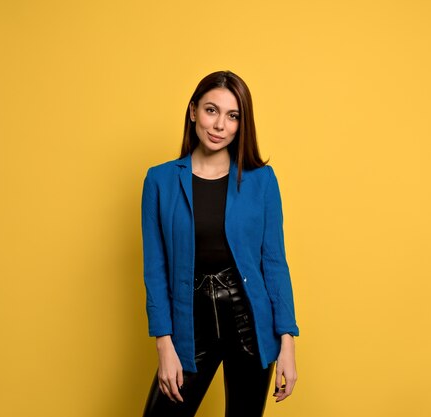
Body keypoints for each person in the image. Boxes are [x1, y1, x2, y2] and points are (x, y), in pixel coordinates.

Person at [141, 70, 299, 417]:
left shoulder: (262, 181)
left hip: (249, 324)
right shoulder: (160, 180)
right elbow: (155, 269)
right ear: (194, 110)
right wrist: (164, 344)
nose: (220, 125)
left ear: (242, 124)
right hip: (189, 323)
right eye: (212, 110)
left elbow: (274, 262)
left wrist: (287, 340)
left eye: (232, 116)